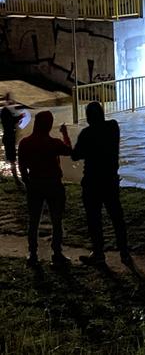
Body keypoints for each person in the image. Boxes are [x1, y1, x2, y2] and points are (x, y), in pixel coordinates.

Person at [71, 101, 131, 267]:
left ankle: (99, 254)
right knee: (117, 217)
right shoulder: (113, 127)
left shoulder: (86, 134)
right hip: (110, 180)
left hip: (92, 182)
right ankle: (124, 253)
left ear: (88, 117)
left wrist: (66, 138)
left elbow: (75, 155)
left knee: (94, 219)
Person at [17, 111, 72, 267]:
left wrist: (28, 182)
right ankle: (57, 253)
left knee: (33, 221)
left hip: (35, 183)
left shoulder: (25, 143)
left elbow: (22, 166)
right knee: (56, 220)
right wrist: (65, 134)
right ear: (48, 125)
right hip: (53, 183)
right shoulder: (53, 143)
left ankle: (33, 254)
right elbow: (69, 151)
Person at [1, 93, 24, 188]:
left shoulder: (6, 110)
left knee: (12, 158)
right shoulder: (6, 111)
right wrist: (19, 118)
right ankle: (16, 179)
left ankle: (17, 178)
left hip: (9, 137)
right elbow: (10, 122)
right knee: (12, 159)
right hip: (9, 138)